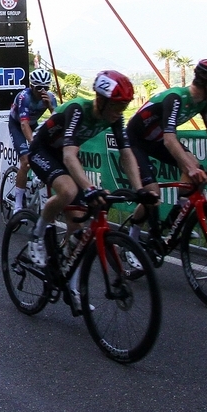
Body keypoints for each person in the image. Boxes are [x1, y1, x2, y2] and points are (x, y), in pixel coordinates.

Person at [23, 71, 150, 287]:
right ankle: (37, 233)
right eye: (116, 106)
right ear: (101, 100)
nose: (119, 112)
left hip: (65, 154)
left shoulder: (115, 118)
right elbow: (69, 155)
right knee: (68, 191)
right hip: (42, 150)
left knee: (78, 226)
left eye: (124, 106)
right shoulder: (78, 109)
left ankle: (71, 287)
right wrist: (89, 188)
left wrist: (140, 190)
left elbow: (126, 154)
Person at [124, 59, 207, 226]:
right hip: (135, 141)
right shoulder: (175, 98)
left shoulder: (204, 103)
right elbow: (169, 139)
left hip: (156, 139)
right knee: (153, 194)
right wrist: (190, 168)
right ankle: (133, 236)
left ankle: (174, 223)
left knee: (198, 173)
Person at [6, 68, 59, 207]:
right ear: (31, 86)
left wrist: (50, 106)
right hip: (17, 125)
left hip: (33, 123)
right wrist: (33, 143)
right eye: (39, 87)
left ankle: (33, 185)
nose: (42, 91)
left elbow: (57, 119)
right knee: (25, 161)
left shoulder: (50, 97)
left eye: (46, 87)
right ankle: (17, 204)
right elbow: (24, 124)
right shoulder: (24, 97)